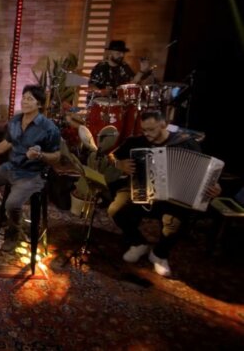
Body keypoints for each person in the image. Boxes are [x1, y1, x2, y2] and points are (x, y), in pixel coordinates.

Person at [109, 110, 221, 277]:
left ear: (164, 124)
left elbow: (204, 172)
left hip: (173, 198)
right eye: (144, 130)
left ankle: (159, 254)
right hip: (141, 189)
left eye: (151, 129)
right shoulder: (136, 142)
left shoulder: (186, 144)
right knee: (116, 210)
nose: (147, 134)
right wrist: (119, 164)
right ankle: (138, 243)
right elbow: (112, 156)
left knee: (174, 225)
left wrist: (215, 187)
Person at [0, 85, 61, 251]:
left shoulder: (48, 127)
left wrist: (40, 156)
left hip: (32, 174)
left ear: (39, 104)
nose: (25, 101)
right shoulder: (15, 121)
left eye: (30, 99)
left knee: (12, 204)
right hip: (11, 167)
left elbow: (57, 156)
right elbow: (7, 143)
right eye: (24, 98)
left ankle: (12, 234)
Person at [88, 40, 155, 98]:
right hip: (103, 103)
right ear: (110, 52)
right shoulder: (101, 67)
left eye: (123, 53)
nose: (122, 55)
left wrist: (142, 71)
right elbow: (91, 86)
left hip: (120, 102)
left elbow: (132, 83)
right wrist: (101, 91)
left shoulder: (123, 66)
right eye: (119, 53)